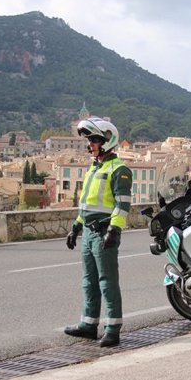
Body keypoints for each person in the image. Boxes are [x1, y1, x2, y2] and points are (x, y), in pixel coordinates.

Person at [64, 117, 132, 347]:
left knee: (107, 282)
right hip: (88, 233)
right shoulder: (94, 168)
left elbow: (122, 205)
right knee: (88, 281)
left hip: (104, 232)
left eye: (94, 140)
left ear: (108, 141)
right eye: (89, 140)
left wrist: (114, 230)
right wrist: (75, 227)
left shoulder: (119, 169)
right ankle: (88, 325)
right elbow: (87, 204)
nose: (90, 144)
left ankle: (113, 328)